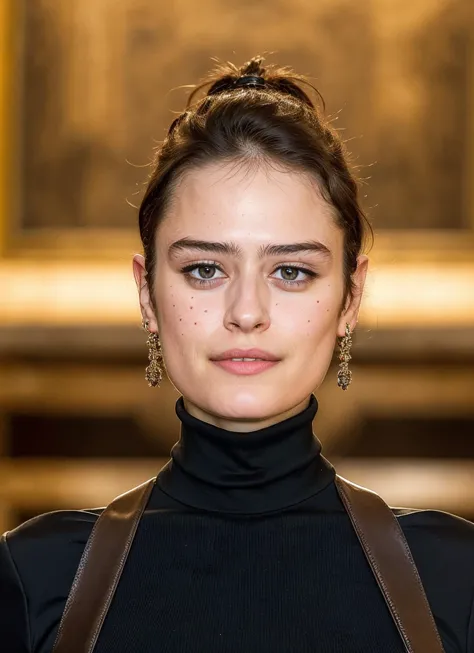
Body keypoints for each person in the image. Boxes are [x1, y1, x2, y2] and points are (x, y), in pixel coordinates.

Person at [1, 56, 473, 653]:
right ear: (147, 293)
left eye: (292, 272)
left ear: (350, 298)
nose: (246, 312)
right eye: (204, 269)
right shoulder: (34, 580)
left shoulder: (456, 583)